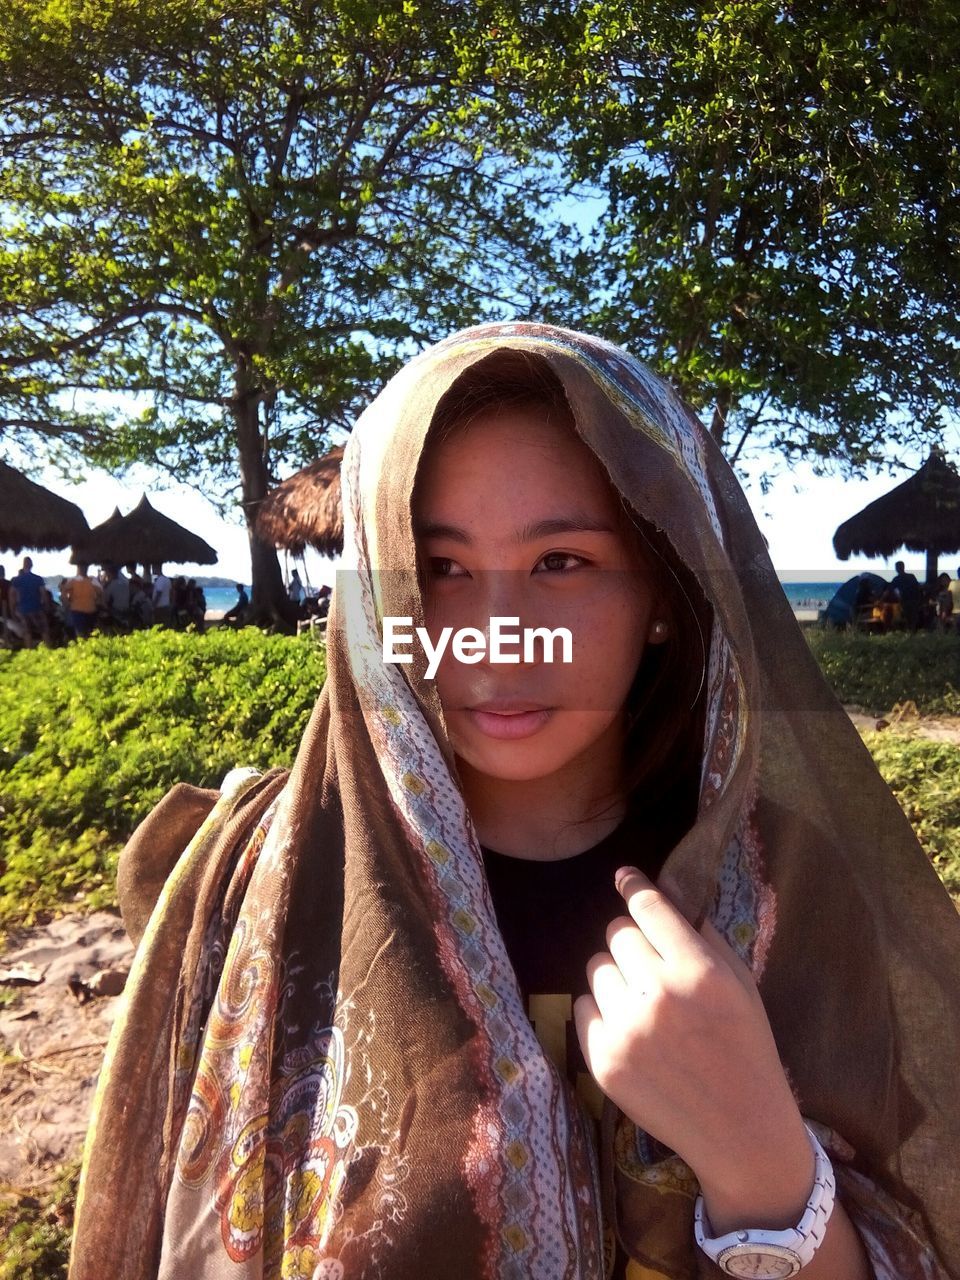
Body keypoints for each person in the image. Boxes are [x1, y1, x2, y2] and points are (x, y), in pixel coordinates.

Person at [70, 326, 960, 1280]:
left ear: (666, 591)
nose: (497, 637)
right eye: (441, 569)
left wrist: (762, 1164)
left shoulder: (803, 899)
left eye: (561, 562)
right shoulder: (263, 882)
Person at [10, 555, 50, 647]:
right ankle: (48, 651)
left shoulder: (17, 580)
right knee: (44, 631)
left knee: (27, 633)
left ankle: (29, 653)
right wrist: (47, 606)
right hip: (37, 608)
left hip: (23, 609)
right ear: (31, 565)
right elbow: (44, 594)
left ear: (23, 565)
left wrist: (12, 610)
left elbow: (12, 596)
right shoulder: (38, 579)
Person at [62, 563, 103, 639]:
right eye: (82, 567)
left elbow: (101, 593)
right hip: (79, 611)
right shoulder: (73, 580)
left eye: (84, 567)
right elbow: (64, 592)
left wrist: (67, 604)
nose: (83, 569)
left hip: (89, 611)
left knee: (87, 633)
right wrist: (67, 604)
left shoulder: (91, 580)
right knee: (83, 633)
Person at [890, 560, 921, 630]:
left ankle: (910, 631)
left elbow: (893, 590)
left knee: (909, 617)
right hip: (911, 600)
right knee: (911, 617)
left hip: (908, 600)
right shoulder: (911, 576)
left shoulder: (896, 579)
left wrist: (899, 597)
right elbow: (918, 587)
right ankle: (912, 631)